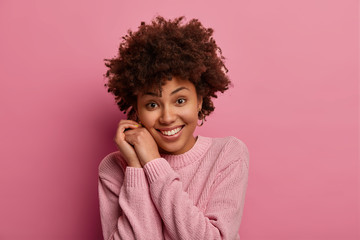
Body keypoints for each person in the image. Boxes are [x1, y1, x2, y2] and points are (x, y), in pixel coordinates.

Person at [98, 15, 249, 240]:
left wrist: (154, 162)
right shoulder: (114, 168)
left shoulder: (229, 154)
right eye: (152, 104)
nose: (167, 117)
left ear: (199, 100)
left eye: (180, 101)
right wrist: (136, 167)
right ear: (136, 110)